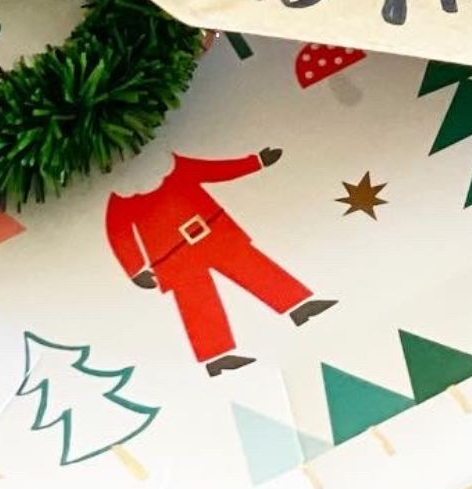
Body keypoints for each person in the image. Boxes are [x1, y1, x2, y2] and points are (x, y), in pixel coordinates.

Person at [104, 144, 335, 375]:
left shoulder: (173, 168)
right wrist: (135, 268)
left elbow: (214, 170)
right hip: (174, 255)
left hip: (212, 232)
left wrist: (256, 162)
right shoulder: (124, 199)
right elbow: (119, 233)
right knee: (195, 299)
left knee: (251, 266)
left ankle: (299, 305)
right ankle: (217, 357)